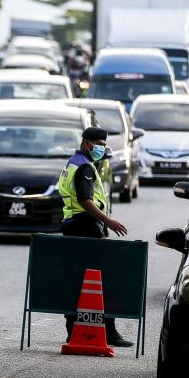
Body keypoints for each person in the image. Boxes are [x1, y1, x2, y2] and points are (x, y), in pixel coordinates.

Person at [57, 126, 132, 347]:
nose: (101, 148)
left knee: (77, 280)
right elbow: (85, 200)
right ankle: (110, 332)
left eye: (103, 144)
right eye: (99, 144)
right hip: (85, 225)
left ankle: (73, 332)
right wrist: (108, 221)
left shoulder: (73, 162)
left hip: (73, 225)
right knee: (102, 280)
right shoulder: (84, 168)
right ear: (87, 143)